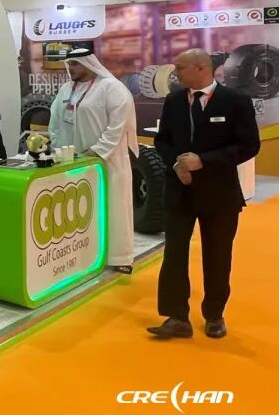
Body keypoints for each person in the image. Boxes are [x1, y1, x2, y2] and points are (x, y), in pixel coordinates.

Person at [148, 49, 260, 340]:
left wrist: (204, 161)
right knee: (174, 255)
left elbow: (249, 145)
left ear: (200, 68)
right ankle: (176, 317)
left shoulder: (236, 101)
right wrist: (176, 163)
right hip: (179, 192)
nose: (175, 73)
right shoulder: (174, 100)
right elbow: (162, 141)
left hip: (219, 194)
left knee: (217, 256)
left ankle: (214, 315)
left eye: (180, 68)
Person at [47, 50, 138, 273]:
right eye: (69, 64)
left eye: (75, 64)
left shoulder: (111, 88)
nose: (71, 68)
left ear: (89, 64)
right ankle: (83, 257)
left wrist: (97, 151)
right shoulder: (66, 89)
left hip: (108, 162)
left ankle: (119, 257)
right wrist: (60, 149)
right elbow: (55, 121)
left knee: (114, 209)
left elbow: (118, 125)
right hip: (73, 162)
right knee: (79, 211)